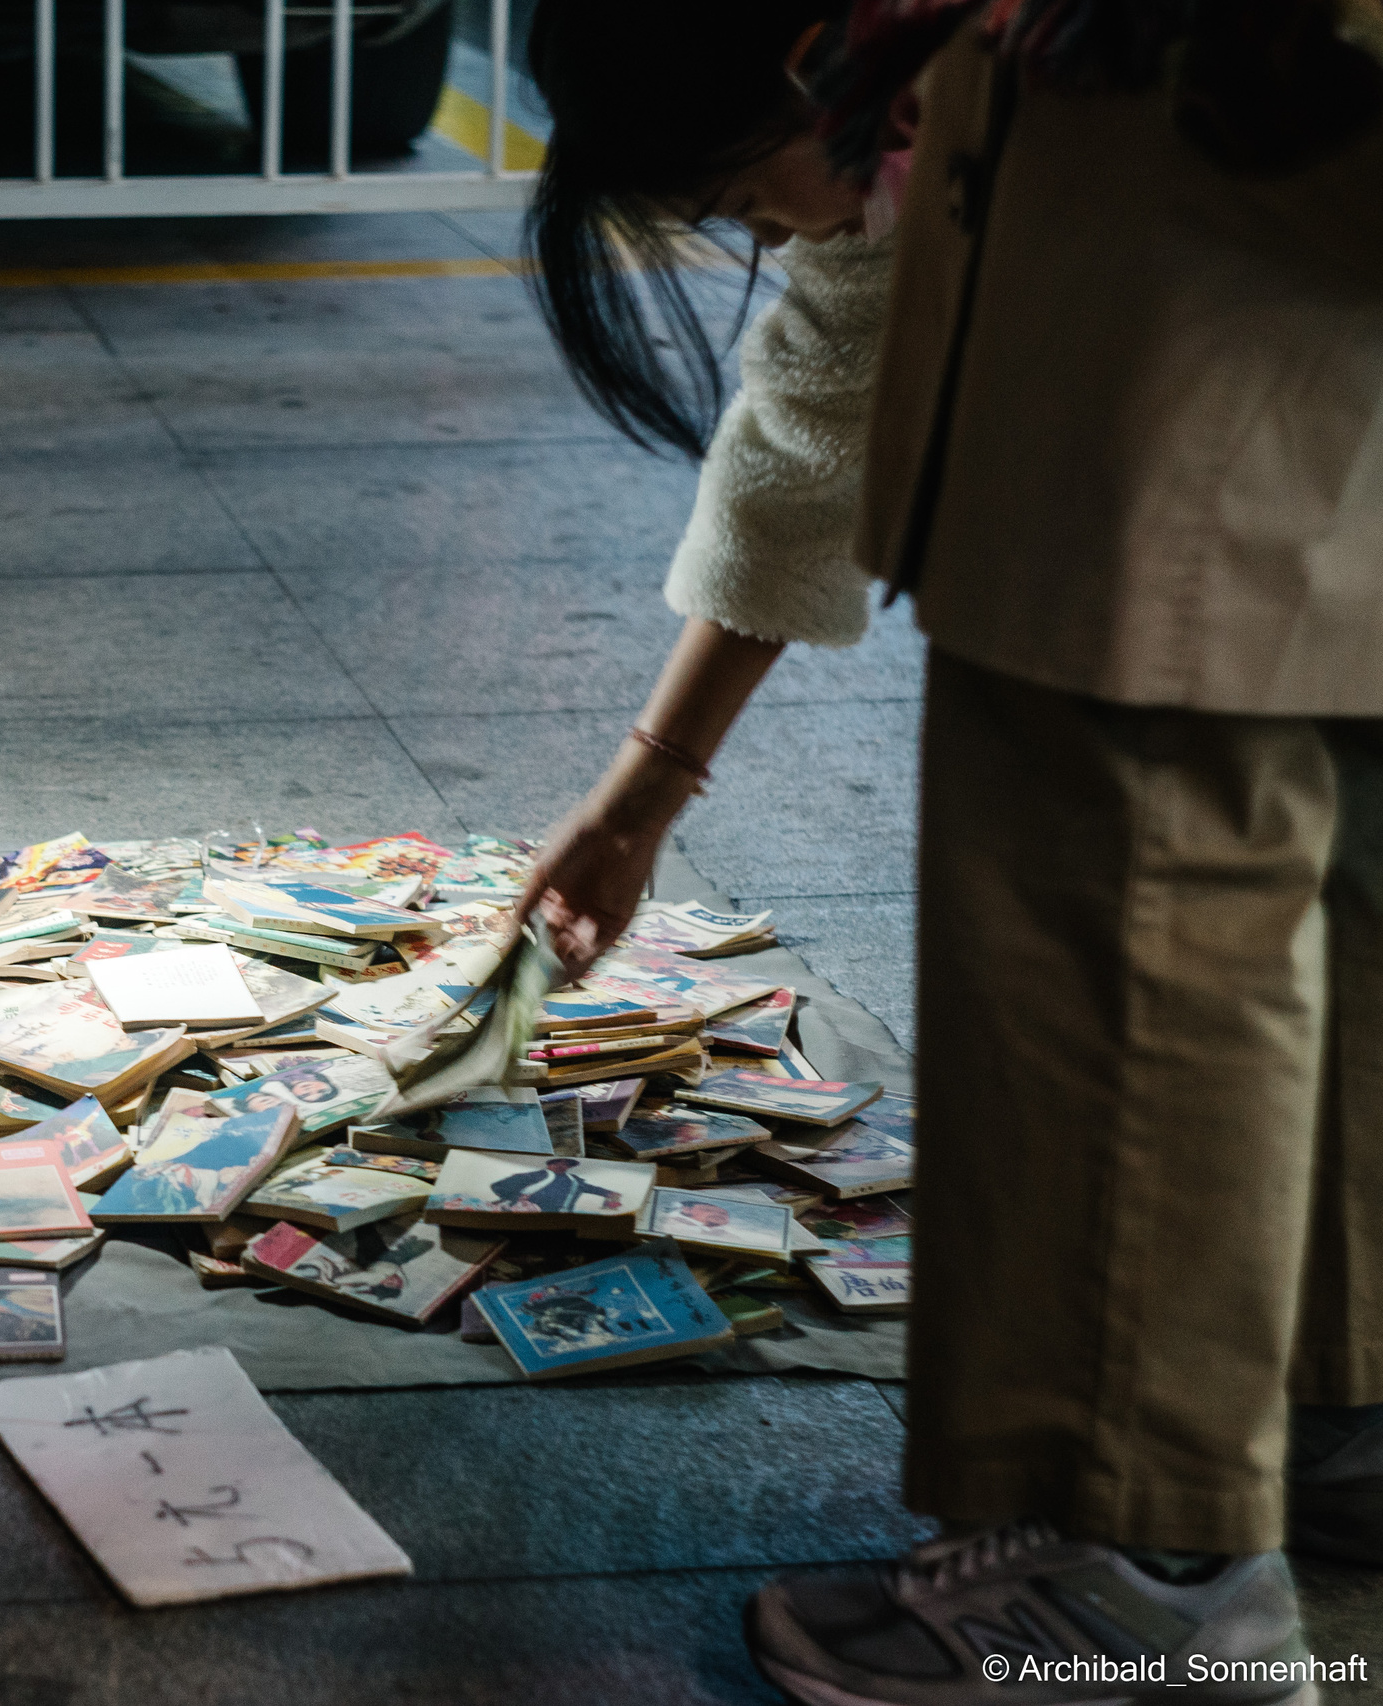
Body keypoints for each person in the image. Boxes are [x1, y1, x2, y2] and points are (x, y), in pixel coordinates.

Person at [516, 2, 1383, 1700]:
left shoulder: (996, 90)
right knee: (1338, 873)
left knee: (1127, 904)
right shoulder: (912, 97)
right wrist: (641, 790)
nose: (751, 240)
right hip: (1303, 276)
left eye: (727, 198)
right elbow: (833, 377)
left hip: (1176, 308)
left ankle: (1146, 1576)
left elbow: (845, 360)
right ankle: (1329, 1420)